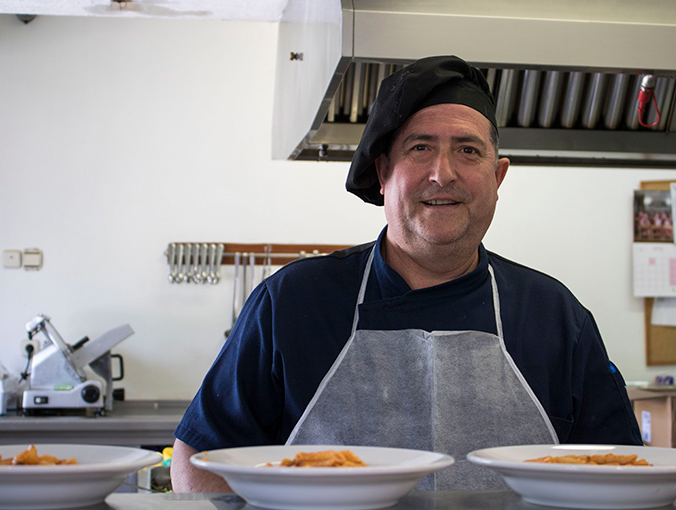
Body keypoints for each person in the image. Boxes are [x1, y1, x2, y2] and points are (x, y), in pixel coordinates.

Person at [171, 55, 642, 492]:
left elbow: (618, 472)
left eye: (468, 151)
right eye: (420, 148)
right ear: (383, 172)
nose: (444, 173)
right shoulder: (292, 303)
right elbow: (199, 458)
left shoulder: (555, 315)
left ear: (498, 178)